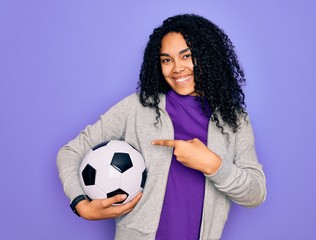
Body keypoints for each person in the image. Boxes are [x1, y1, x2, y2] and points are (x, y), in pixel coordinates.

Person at [57, 13, 266, 240]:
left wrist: (212, 164)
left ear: (207, 56)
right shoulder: (137, 108)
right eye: (167, 60)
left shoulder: (234, 120)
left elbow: (255, 193)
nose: (177, 69)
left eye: (186, 56)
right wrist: (81, 204)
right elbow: (70, 152)